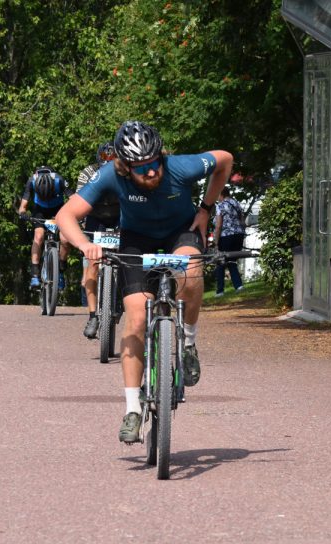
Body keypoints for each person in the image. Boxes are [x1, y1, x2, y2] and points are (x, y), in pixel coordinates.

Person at [56, 120, 233, 444]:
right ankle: (133, 410)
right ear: (125, 166)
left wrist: (206, 209)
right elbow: (65, 215)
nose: (151, 172)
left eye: (155, 163)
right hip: (136, 240)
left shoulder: (181, 167)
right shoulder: (110, 175)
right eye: (141, 168)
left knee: (191, 271)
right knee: (136, 319)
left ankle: (189, 343)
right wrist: (84, 245)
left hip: (181, 232)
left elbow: (225, 159)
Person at [75, 142, 120, 338]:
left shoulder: (126, 171)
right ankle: (93, 315)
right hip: (95, 217)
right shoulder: (87, 173)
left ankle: (121, 295)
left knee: (127, 257)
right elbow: (78, 200)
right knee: (92, 263)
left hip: (120, 215)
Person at [17, 166, 71, 291]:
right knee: (38, 236)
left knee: (65, 239)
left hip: (58, 209)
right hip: (39, 210)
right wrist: (23, 213)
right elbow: (22, 207)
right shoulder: (31, 181)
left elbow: (75, 199)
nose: (46, 197)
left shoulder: (59, 180)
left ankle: (61, 270)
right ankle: (35, 275)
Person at [211, 186, 246, 296]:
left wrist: (216, 242)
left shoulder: (220, 206)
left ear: (221, 194)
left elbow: (218, 225)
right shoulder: (236, 203)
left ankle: (220, 291)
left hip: (226, 236)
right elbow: (242, 221)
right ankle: (239, 286)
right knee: (231, 261)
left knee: (220, 261)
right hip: (238, 235)